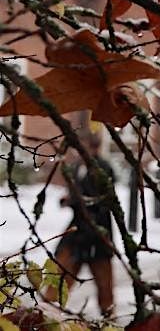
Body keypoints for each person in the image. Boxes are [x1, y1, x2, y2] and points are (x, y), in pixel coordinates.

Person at [47, 132, 117, 317]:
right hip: (77, 232)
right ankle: (47, 311)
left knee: (104, 285)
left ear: (94, 148)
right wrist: (69, 200)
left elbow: (101, 200)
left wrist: (76, 201)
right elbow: (77, 195)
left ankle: (108, 316)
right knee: (61, 273)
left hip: (98, 232)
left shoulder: (104, 168)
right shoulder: (76, 167)